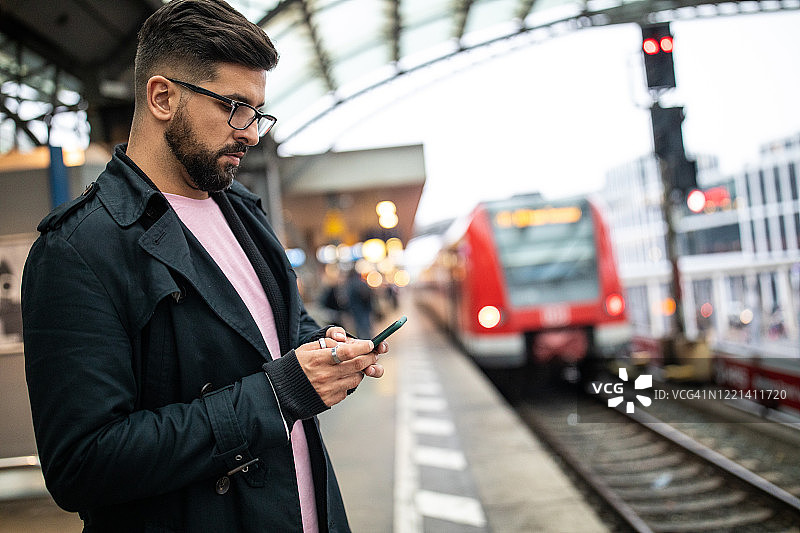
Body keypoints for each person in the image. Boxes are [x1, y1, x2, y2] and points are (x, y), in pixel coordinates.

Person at [20, 1, 386, 531]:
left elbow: (279, 332)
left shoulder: (243, 212)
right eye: (236, 106)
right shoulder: (79, 249)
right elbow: (82, 464)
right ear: (163, 97)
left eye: (258, 112)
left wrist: (327, 352)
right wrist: (279, 396)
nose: (252, 132)